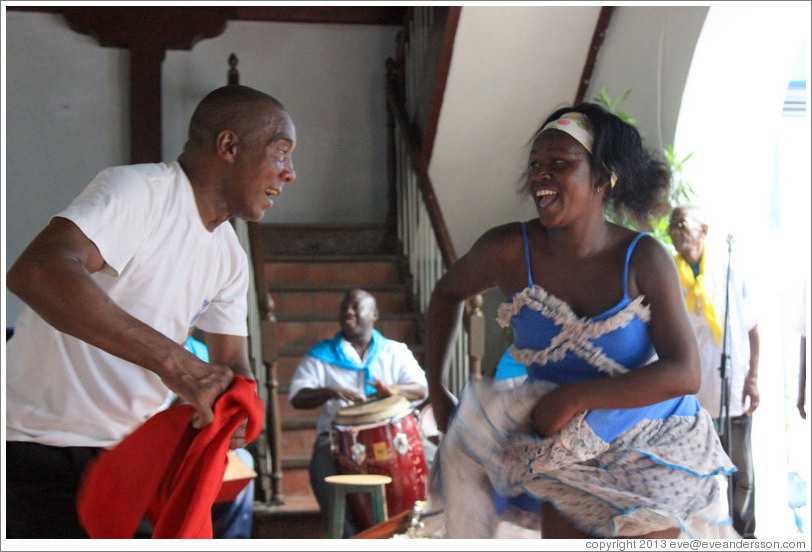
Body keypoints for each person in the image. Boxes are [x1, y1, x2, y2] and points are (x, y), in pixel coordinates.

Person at [423, 103, 737, 539]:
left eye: (559, 163)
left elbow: (685, 371)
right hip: (560, 452)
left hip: (647, 445)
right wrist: (437, 390)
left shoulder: (642, 258)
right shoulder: (510, 250)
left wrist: (573, 399)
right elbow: (446, 293)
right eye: (535, 165)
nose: (540, 176)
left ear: (604, 177)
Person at [5, 84, 296, 538]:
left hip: (133, 457)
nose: (290, 173)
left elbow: (230, 362)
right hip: (40, 448)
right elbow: (37, 271)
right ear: (228, 146)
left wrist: (236, 407)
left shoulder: (229, 257)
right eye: (280, 153)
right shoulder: (140, 192)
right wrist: (178, 365)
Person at [288, 288, 428, 537]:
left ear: (374, 315)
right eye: (344, 307)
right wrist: (329, 390)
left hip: (397, 436)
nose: (348, 312)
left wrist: (393, 390)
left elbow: (421, 389)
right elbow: (298, 397)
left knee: (435, 461)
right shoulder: (322, 355)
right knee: (322, 475)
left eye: (356, 306)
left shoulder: (394, 351)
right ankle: (352, 539)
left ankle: (419, 532)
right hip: (335, 440)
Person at [668, 204, 760, 538]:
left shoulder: (728, 267)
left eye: (682, 224)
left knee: (742, 473)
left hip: (731, 388)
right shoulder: (667, 272)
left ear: (704, 229)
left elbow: (752, 327)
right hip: (693, 395)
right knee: (697, 473)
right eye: (671, 227)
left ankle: (745, 534)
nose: (675, 232)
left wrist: (753, 379)